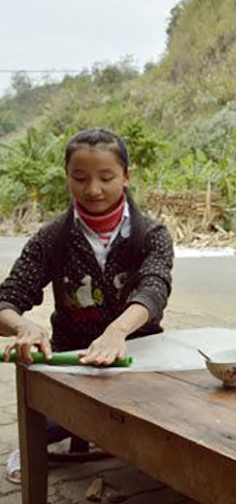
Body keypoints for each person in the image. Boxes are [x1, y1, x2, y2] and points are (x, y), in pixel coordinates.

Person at [0, 128, 173, 479]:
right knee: (49, 423)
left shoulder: (151, 235)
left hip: (139, 359)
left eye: (106, 177)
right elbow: (7, 299)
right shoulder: (52, 239)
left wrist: (117, 332)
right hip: (74, 366)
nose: (93, 189)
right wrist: (23, 326)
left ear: (126, 176)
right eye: (80, 178)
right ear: (67, 178)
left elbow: (154, 289)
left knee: (177, 417)